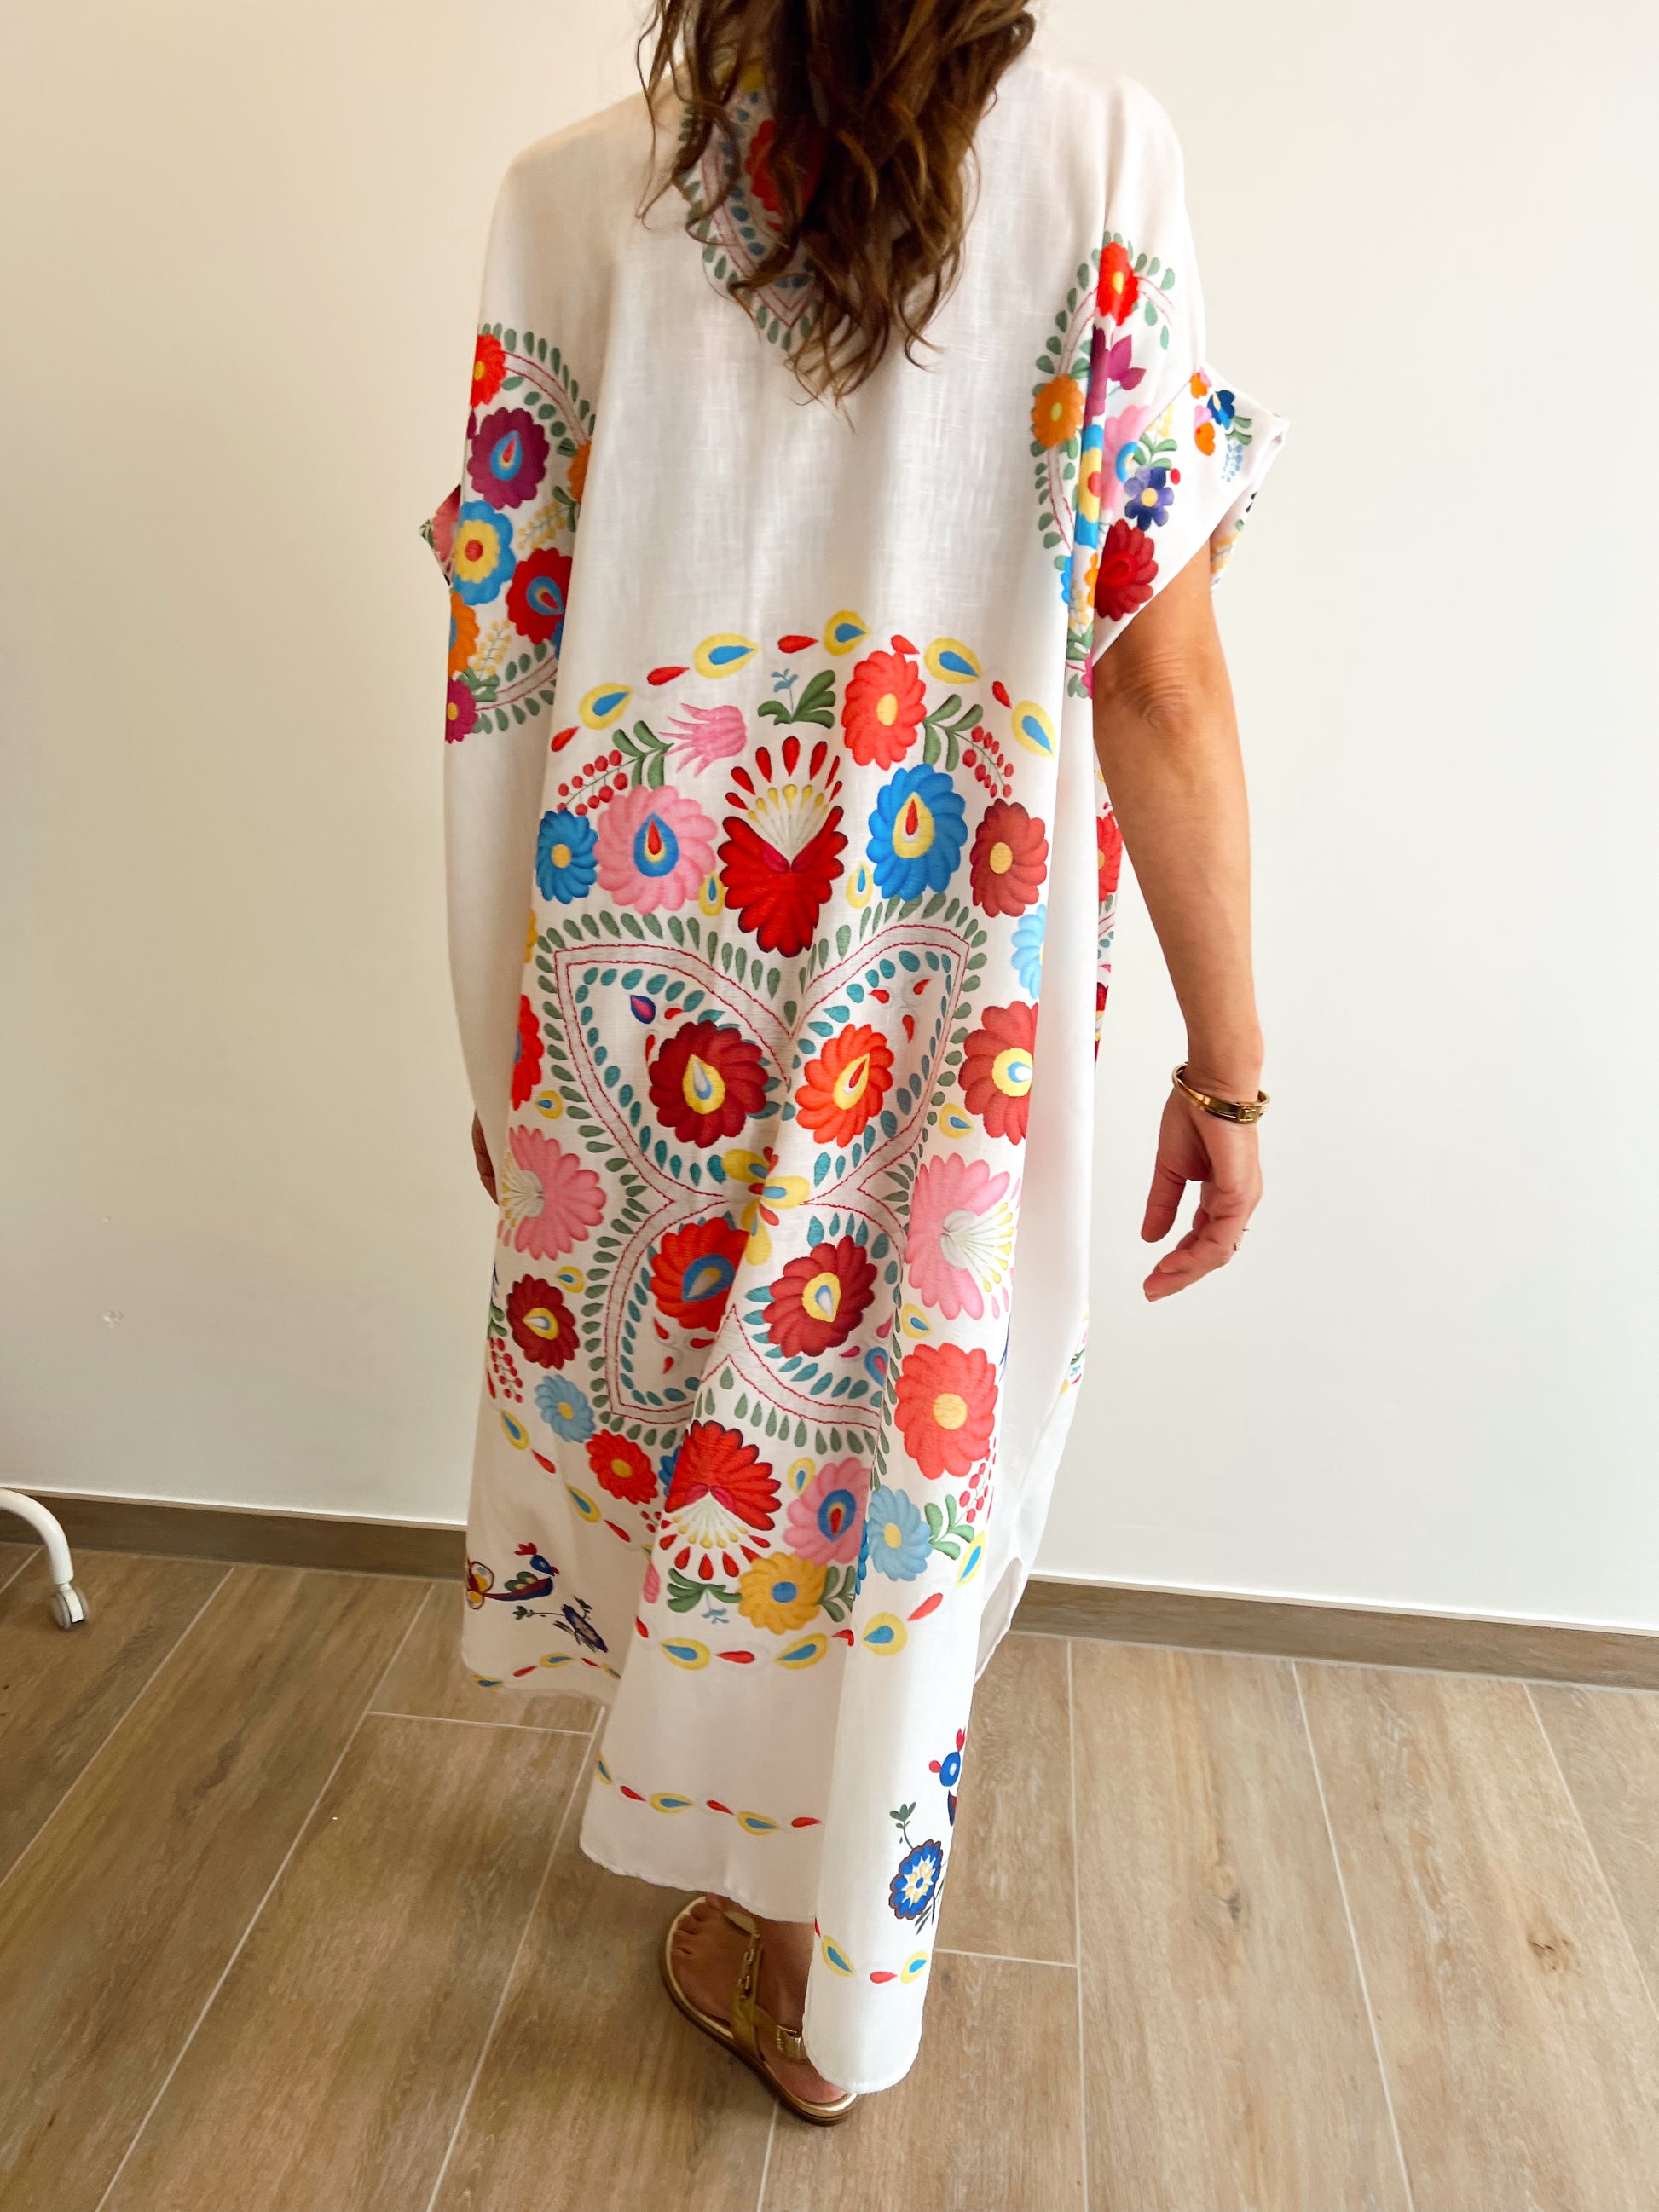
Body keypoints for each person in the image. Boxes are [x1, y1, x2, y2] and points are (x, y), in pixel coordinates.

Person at [427, 0, 1284, 2122]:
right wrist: (1228, 1063)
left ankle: (784, 1922)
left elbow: (503, 676)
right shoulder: (1093, 162)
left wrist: (502, 1049)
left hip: (649, 982)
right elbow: (1159, 672)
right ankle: (829, 1961)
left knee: (718, 1454)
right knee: (904, 1460)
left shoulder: (567, 202)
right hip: (953, 991)